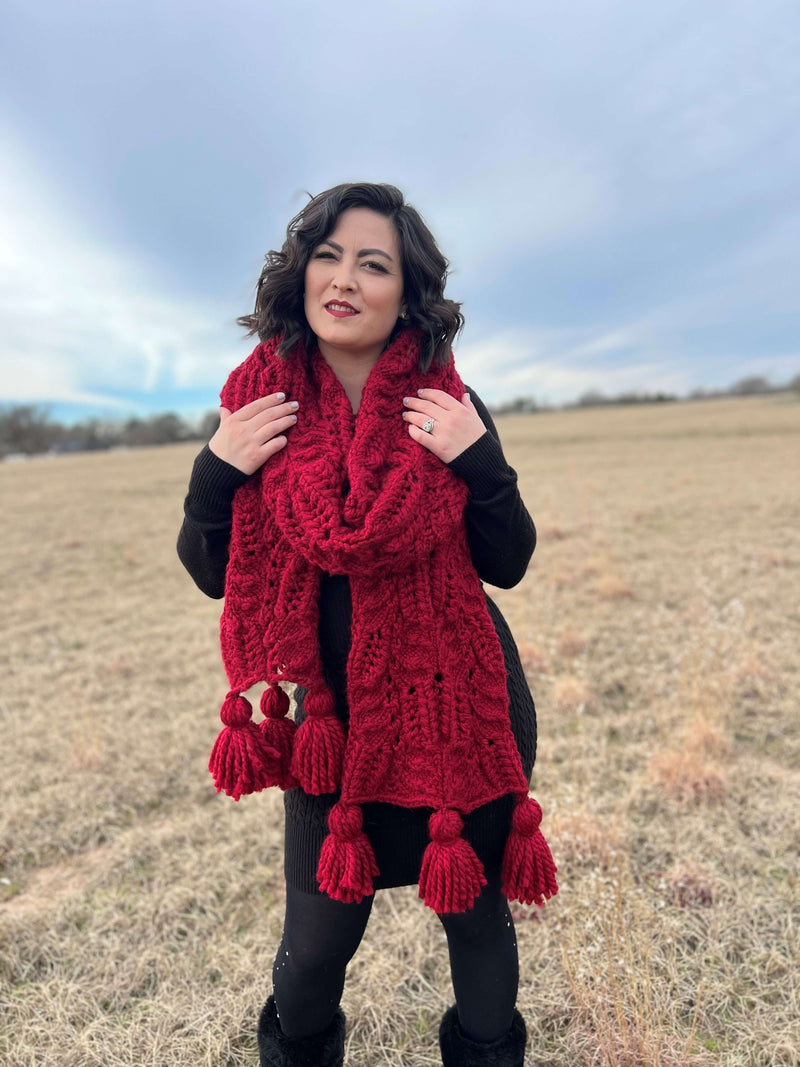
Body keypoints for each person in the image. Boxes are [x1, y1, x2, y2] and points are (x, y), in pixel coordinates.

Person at [177, 182, 557, 1067]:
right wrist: (215, 471)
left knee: (477, 923)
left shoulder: (449, 406)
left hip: (456, 708)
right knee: (313, 949)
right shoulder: (259, 410)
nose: (344, 278)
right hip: (332, 731)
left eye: (373, 263)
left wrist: (481, 461)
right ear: (301, 272)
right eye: (328, 255)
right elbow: (208, 572)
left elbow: (509, 559)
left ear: (407, 292)